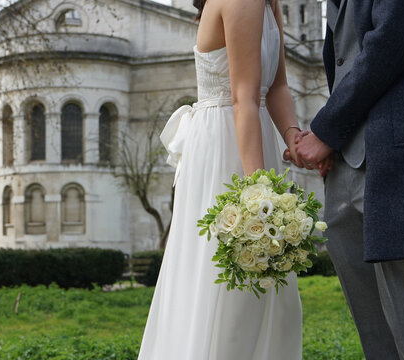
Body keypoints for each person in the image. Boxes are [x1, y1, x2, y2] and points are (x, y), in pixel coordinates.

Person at [138, 0, 306, 359]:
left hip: (251, 132)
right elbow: (242, 98)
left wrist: (293, 136)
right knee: (230, 281)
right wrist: (259, 194)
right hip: (228, 142)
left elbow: (276, 87)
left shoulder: (269, 1)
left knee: (263, 278)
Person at [289, 0, 404, 358]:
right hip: (344, 164)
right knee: (376, 337)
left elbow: (394, 37)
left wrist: (326, 130)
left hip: (398, 155)